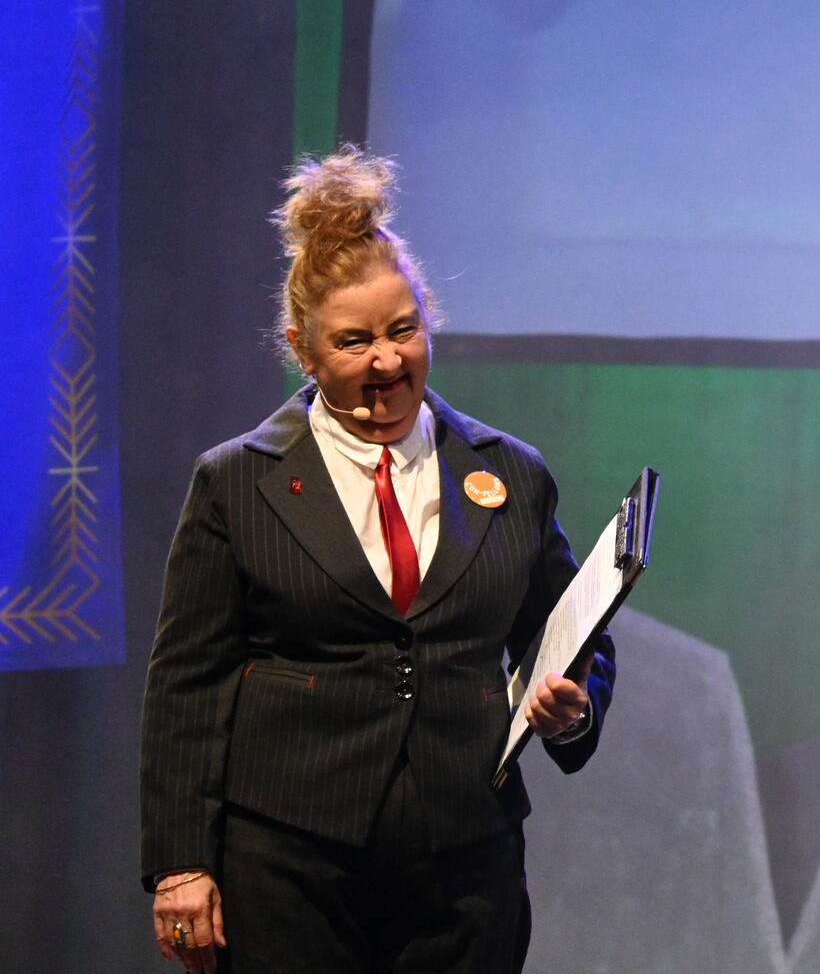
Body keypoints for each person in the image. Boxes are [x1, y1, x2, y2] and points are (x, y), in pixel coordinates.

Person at [140, 147, 615, 974]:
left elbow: (574, 636)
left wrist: (573, 709)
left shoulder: (511, 472)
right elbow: (189, 682)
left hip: (466, 862)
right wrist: (182, 863)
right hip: (289, 866)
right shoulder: (237, 481)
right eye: (354, 341)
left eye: (404, 331)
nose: (387, 363)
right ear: (303, 349)